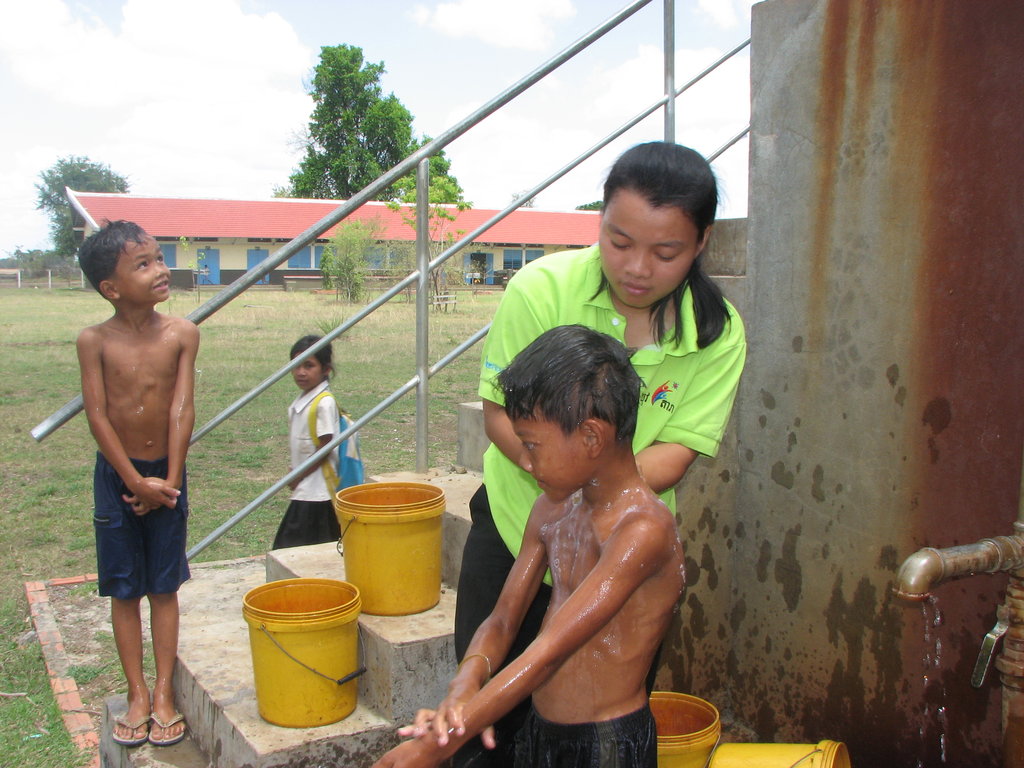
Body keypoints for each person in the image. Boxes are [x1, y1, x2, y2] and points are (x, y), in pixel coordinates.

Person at [453, 141, 747, 765]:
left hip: (615, 550)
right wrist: (551, 475)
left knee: (595, 692)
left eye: (665, 252)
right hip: (514, 525)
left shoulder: (716, 334)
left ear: (700, 245)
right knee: (489, 749)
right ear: (601, 221)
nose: (637, 266)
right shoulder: (539, 289)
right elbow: (499, 412)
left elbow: (678, 451)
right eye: (619, 241)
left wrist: (595, 487)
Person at [373, 324, 686, 768]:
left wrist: (435, 746)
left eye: (533, 445)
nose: (525, 459)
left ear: (592, 437)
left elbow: (548, 651)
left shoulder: (642, 531)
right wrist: (466, 682)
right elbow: (502, 621)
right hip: (541, 730)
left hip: (606, 746)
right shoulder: (551, 510)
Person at [76, 220, 199, 748]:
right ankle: (137, 693)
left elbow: (182, 406)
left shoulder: (183, 333)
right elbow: (98, 415)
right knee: (124, 589)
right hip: (117, 478)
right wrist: (134, 481)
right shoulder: (94, 341)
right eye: (143, 264)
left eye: (158, 258)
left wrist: (167, 481)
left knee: (163, 586)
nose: (160, 269)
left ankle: (166, 690)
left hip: (168, 474)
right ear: (111, 287)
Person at [272, 334, 343, 549]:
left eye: (309, 366)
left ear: (326, 369)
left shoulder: (324, 403)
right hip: (306, 487)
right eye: (296, 365)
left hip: (316, 491)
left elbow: (325, 446)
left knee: (291, 547)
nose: (301, 372)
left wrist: (297, 474)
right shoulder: (304, 399)